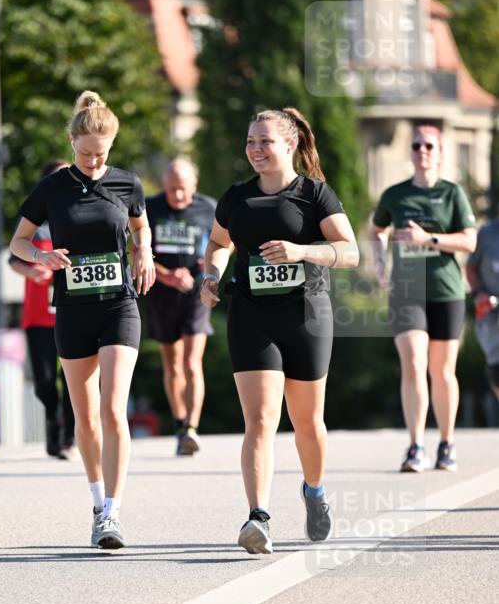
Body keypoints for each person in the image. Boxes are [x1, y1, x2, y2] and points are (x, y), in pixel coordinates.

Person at [201, 107, 358, 553]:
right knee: (261, 419)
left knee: (307, 422)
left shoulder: (315, 194)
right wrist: (210, 276)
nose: (255, 149)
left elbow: (349, 252)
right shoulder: (236, 198)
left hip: (306, 315)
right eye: (251, 141)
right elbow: (217, 243)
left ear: (288, 145)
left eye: (264, 141)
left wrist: (300, 250)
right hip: (251, 316)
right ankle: (259, 518)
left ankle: (314, 491)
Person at [9, 91, 155, 549]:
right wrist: (41, 257)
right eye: (86, 153)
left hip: (118, 303)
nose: (94, 161)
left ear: (112, 146)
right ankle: (96, 500)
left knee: (114, 407)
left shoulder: (127, 183)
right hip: (72, 308)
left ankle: (113, 512)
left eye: (102, 153)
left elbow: (139, 224)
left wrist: (144, 252)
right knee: (86, 415)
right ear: (72, 143)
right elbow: (19, 241)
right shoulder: (53, 188)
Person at [370, 126, 477, 472]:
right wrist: (380, 264)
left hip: (447, 290)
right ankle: (416, 445)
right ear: (411, 152)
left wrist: (427, 238)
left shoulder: (452, 193)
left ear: (441, 152)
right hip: (406, 290)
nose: (423, 150)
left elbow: (469, 241)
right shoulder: (395, 195)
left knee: (442, 372)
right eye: (416, 145)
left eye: (429, 145)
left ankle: (447, 443)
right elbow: (377, 231)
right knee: (414, 363)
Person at [145, 158, 216, 455]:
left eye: (183, 190)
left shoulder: (208, 208)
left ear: (194, 186)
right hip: (160, 292)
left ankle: (192, 428)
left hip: (196, 293)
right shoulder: (150, 207)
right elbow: (137, 251)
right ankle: (178, 423)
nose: (176, 196)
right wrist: (166, 275)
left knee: (191, 362)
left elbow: (226, 242)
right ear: (164, 185)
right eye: (171, 189)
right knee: (172, 363)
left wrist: (209, 260)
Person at [9, 159, 76, 459]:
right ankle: (53, 422)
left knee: (75, 379)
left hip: (71, 309)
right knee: (45, 381)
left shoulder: (78, 213)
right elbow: (13, 259)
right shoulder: (34, 219)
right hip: (38, 316)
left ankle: (68, 440)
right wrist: (34, 270)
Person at [466, 214, 499, 400]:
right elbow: (470, 268)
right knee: (497, 370)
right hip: (491, 312)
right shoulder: (485, 234)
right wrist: (479, 292)